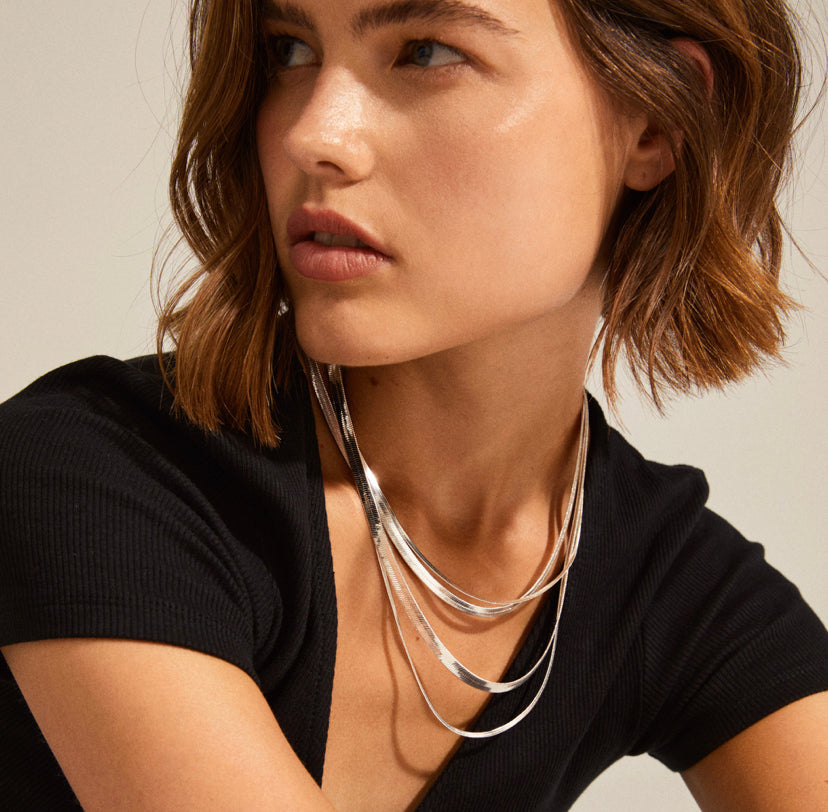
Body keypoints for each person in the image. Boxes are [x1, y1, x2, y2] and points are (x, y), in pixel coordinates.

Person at [1, 0, 827, 809]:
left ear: (657, 119)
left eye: (426, 51)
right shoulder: (95, 480)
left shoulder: (662, 580)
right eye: (289, 50)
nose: (313, 135)